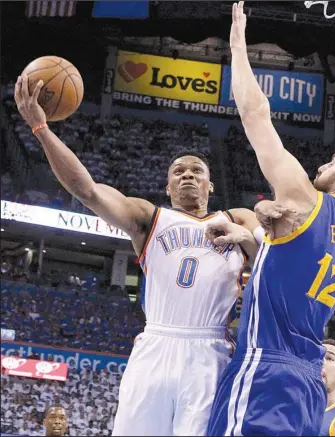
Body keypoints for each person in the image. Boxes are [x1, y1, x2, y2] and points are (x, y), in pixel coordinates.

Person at [14, 74, 272, 436]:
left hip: (210, 350)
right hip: (156, 344)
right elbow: (86, 190)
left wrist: (246, 236)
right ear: (167, 186)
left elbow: (277, 262)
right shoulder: (148, 217)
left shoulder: (237, 217)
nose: (187, 175)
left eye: (197, 171)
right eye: (178, 171)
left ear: (210, 186)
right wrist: (40, 127)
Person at [206, 2, 335, 436]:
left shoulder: (305, 201)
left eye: (331, 162)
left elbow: (255, 115)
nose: (320, 168)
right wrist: (252, 230)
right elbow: (296, 263)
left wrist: (236, 44)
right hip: (308, 381)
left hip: (264, 365)